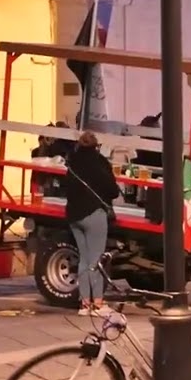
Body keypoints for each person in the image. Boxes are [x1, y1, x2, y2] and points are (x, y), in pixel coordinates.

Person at [65, 131, 121, 315]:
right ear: (96, 146)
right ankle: (98, 303)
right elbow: (113, 191)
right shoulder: (100, 162)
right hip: (94, 213)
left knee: (84, 258)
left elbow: (67, 189)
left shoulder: (71, 163)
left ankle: (84, 304)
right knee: (96, 259)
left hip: (74, 215)